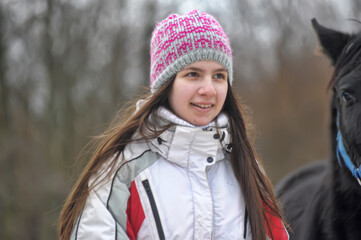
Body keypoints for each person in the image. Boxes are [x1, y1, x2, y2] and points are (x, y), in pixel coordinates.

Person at [58, 10, 289, 240]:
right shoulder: (123, 171)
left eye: (219, 76)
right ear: (166, 84)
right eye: (193, 74)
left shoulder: (246, 164)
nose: (208, 89)